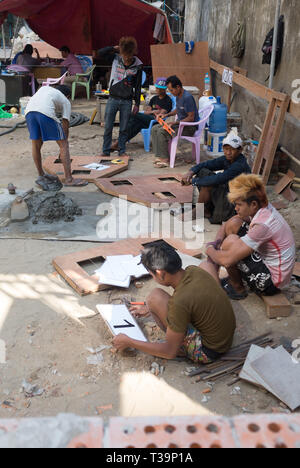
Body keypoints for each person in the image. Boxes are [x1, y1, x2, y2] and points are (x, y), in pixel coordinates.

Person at [112, 243, 236, 363]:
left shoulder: (179, 302)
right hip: (224, 338)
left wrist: (129, 341)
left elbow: (169, 351)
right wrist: (150, 308)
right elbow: (188, 299)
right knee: (205, 265)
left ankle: (184, 350)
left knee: (155, 297)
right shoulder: (193, 270)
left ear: (160, 273)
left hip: (209, 351)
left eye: (151, 274)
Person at [204, 173, 296, 300]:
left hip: (272, 282)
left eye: (239, 205)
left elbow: (226, 260)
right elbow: (227, 225)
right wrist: (217, 242)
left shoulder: (263, 225)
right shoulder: (261, 208)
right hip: (269, 262)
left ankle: (238, 288)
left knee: (229, 243)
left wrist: (210, 250)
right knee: (234, 223)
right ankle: (236, 276)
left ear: (253, 204)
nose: (235, 208)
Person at [25, 84, 88, 190]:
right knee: (64, 144)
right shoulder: (65, 100)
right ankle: (69, 179)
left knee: (36, 145)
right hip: (45, 113)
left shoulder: (45, 88)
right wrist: (63, 145)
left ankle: (41, 175)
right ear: (67, 96)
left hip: (28, 112)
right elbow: (65, 124)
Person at [181, 132, 251, 224]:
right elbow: (207, 164)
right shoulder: (227, 158)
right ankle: (205, 209)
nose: (228, 152)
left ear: (240, 150)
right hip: (227, 193)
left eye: (232, 149)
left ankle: (199, 210)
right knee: (203, 171)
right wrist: (191, 172)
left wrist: (193, 181)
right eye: (226, 149)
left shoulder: (239, 165)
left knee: (209, 183)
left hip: (234, 204)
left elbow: (219, 179)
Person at [97, 37, 143, 157]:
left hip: (127, 101)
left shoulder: (138, 65)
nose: (126, 58)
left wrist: (137, 103)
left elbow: (137, 87)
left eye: (129, 55)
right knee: (108, 127)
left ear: (133, 53)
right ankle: (106, 151)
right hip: (112, 98)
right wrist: (114, 48)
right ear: (121, 52)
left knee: (124, 128)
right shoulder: (115, 58)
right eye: (124, 55)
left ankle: (121, 150)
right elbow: (100, 53)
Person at [111, 77, 173, 149]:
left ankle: (118, 141)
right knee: (134, 125)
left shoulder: (168, 100)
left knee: (133, 115)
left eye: (160, 88)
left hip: (155, 121)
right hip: (146, 119)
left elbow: (161, 114)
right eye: (157, 88)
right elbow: (146, 112)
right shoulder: (154, 99)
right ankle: (119, 142)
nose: (157, 90)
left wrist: (153, 112)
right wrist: (153, 111)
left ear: (164, 89)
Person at [151, 75, 198, 168]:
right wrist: (166, 115)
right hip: (180, 125)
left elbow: (191, 118)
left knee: (162, 132)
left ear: (178, 87)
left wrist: (175, 123)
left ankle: (165, 159)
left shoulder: (187, 98)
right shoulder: (178, 95)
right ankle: (159, 155)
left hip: (189, 127)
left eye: (171, 90)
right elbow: (178, 109)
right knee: (154, 128)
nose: (171, 93)